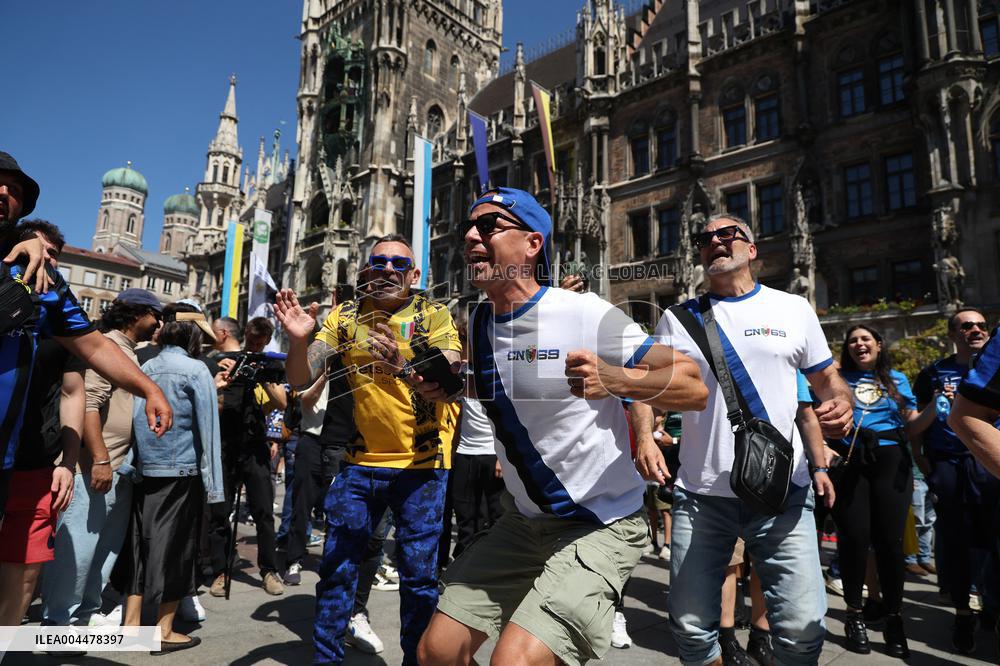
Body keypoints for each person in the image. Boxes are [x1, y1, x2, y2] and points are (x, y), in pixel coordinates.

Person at [416, 187, 707, 666]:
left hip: (600, 521)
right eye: (469, 226)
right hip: (524, 520)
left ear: (532, 244)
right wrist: (453, 385)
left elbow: (694, 384)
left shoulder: (581, 311)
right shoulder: (482, 321)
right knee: (437, 652)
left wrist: (614, 378)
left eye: (488, 226)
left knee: (513, 661)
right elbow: (521, 384)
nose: (470, 236)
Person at [652, 214, 851, 666]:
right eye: (704, 239)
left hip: (783, 491)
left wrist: (840, 399)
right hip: (702, 495)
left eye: (728, 235)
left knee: (803, 630)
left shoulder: (793, 308)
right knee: (688, 627)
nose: (715, 243)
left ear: (752, 249)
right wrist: (645, 434)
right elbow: (653, 386)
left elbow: (825, 377)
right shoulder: (677, 318)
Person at [275, 233, 463, 665]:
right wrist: (300, 340)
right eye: (378, 263)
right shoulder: (344, 317)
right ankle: (327, 658)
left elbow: (451, 382)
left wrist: (405, 366)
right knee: (337, 568)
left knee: (418, 580)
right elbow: (303, 379)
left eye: (399, 264)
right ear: (366, 271)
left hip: (422, 467)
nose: (387, 271)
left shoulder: (433, 314)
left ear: (414, 275)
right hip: (360, 464)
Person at [0, 153, 173, 526]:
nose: (3, 192)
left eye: (13, 189)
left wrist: (150, 390)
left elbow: (94, 346)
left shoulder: (36, 275)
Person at [40, 288, 163, 627]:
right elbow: (88, 406)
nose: (158, 323)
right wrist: (100, 459)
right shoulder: (104, 347)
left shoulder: (126, 351)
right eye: (155, 315)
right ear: (137, 315)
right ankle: (57, 626)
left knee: (101, 556)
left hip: (116, 470)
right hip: (92, 472)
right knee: (77, 556)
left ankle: (81, 621)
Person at [115, 303, 223, 654]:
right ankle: (163, 629)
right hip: (182, 473)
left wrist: (132, 463)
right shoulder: (195, 370)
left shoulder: (147, 366)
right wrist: (215, 485)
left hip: (146, 470)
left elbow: (135, 421)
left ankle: (131, 624)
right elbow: (209, 429)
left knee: (140, 545)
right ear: (194, 336)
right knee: (176, 548)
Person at [831, 324, 938, 658]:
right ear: (847, 349)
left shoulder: (896, 380)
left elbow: (912, 424)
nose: (859, 344)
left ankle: (894, 617)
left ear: (878, 345)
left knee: (891, 544)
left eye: (866, 339)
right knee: (854, 539)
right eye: (853, 341)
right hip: (851, 460)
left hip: (891, 461)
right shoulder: (836, 379)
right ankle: (854, 614)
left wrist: (937, 406)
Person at [912, 309, 999, 653]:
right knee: (957, 539)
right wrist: (927, 466)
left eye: (981, 325)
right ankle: (963, 612)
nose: (976, 330)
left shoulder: (994, 364)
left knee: (992, 538)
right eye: (967, 326)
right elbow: (914, 428)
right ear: (953, 334)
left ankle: (990, 606)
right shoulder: (933, 373)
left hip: (989, 465)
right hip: (950, 464)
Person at [0, 332, 82, 626]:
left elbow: (72, 392)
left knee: (24, 573)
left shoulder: (58, 313)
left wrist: (68, 462)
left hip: (36, 467)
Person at [206, 317, 287, 597]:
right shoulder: (224, 359)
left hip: (255, 446)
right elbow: (212, 398)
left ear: (266, 340)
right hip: (226, 444)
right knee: (220, 510)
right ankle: (220, 570)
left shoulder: (270, 365)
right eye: (252, 339)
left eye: (260, 341)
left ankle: (268, 570)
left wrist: (261, 379)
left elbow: (282, 403)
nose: (255, 344)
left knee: (264, 510)